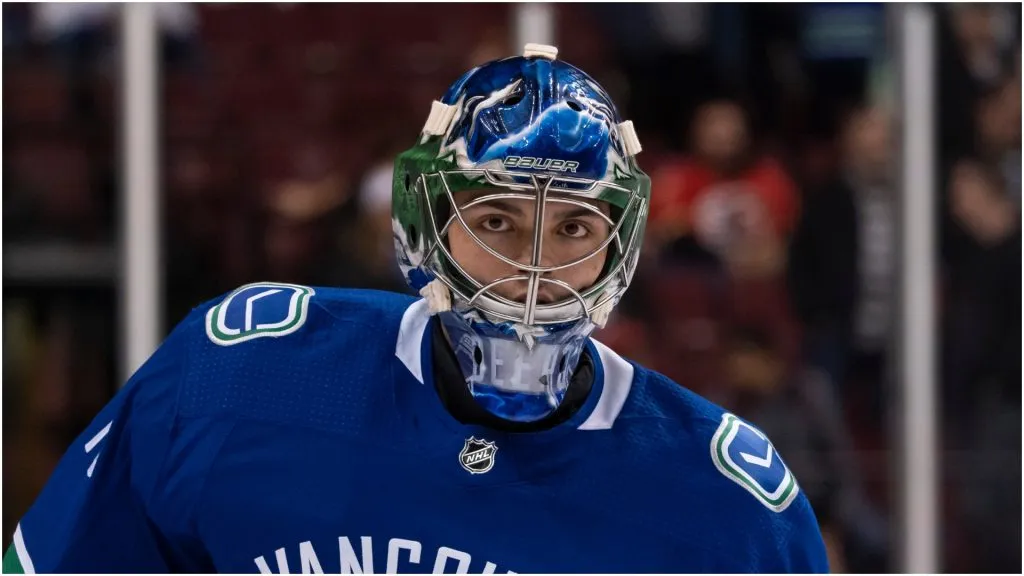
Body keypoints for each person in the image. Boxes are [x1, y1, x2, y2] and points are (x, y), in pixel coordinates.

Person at [4, 44, 828, 574]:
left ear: (622, 249)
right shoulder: (238, 377)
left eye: (575, 225)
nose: (533, 269)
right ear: (426, 223)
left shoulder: (733, 518)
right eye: (497, 219)